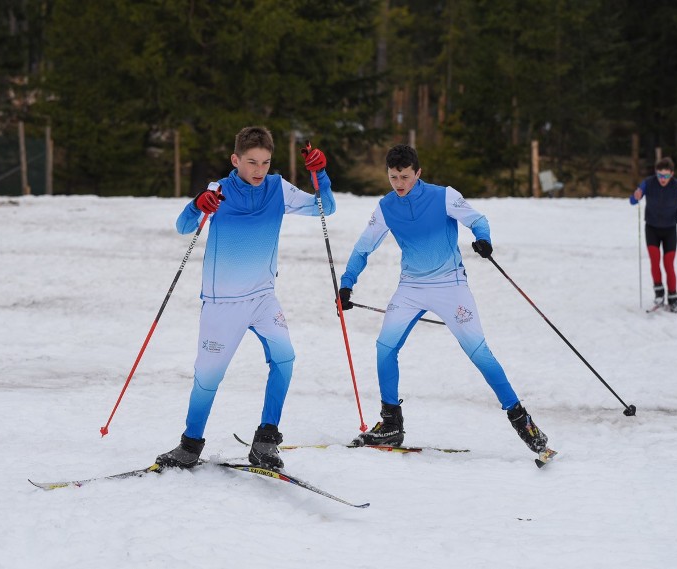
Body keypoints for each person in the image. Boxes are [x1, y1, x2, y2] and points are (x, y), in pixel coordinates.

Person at [337, 144, 548, 455]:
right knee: (384, 348)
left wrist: (484, 239)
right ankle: (391, 424)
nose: (399, 184)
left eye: (405, 177)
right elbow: (362, 248)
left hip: (451, 285)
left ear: (418, 173)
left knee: (478, 352)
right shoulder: (385, 207)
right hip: (411, 287)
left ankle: (522, 420)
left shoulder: (444, 196)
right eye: (393, 177)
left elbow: (478, 220)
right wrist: (346, 283)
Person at [156, 126, 334, 470]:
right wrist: (196, 205)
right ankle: (190, 445)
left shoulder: (277, 188)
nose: (258, 170)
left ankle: (266, 440)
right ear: (236, 160)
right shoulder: (218, 191)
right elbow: (182, 226)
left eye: (265, 162)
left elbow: (324, 208)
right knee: (208, 378)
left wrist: (320, 173)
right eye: (251, 162)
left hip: (263, 299)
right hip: (222, 303)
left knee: (285, 359)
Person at [630, 157, 677, 312]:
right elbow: (633, 200)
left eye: (666, 176)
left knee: (668, 264)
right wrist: (636, 196)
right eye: (660, 175)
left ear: (672, 174)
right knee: (654, 260)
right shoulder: (648, 183)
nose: (663, 179)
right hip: (652, 228)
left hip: (670, 230)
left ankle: (673, 299)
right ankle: (659, 293)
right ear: (656, 173)